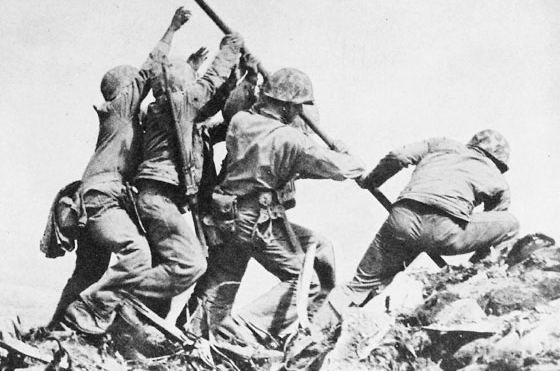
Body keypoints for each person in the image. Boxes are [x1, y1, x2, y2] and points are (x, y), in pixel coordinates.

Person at [193, 68, 365, 346]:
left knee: (223, 278)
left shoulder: (241, 121)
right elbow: (342, 168)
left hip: (227, 214)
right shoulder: (292, 139)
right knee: (307, 281)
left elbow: (282, 160)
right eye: (297, 107)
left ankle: (194, 333)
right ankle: (242, 331)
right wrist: (344, 154)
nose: (299, 112)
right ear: (286, 105)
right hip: (256, 219)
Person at [56, 7, 192, 335]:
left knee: (88, 270)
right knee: (137, 253)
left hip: (100, 198)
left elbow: (170, 99)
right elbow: (148, 72)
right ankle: (87, 314)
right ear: (122, 89)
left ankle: (58, 328)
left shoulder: (129, 121)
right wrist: (172, 29)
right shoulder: (118, 110)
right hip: (102, 197)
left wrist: (191, 69)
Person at [313, 129, 520, 332]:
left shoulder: (441, 144)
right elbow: (492, 224)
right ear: (499, 162)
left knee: (359, 285)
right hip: (444, 232)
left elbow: (398, 156)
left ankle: (312, 332)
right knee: (511, 225)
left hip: (401, 221)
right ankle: (474, 275)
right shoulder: (498, 180)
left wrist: (372, 181)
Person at [112, 31, 244, 334]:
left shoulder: (180, 116)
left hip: (162, 200)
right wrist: (228, 51)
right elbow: (208, 87)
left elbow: (216, 101)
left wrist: (239, 72)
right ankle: (114, 297)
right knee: (190, 264)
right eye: (188, 80)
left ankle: (131, 331)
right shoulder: (172, 105)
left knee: (168, 270)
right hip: (157, 199)